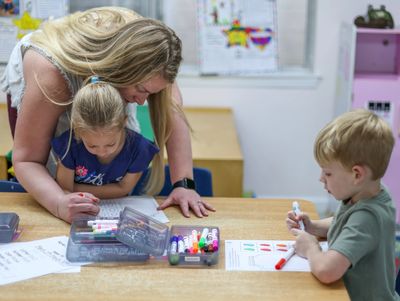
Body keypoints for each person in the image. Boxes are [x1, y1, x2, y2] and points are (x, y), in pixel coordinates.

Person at [0, 7, 215, 223]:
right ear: (121, 71)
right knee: (58, 172)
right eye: (140, 90)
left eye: (151, 93)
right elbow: (27, 160)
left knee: (108, 144)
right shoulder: (51, 75)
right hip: (57, 63)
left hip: (102, 62)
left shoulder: (153, 53)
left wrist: (183, 185)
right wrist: (59, 203)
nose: (142, 102)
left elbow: (172, 112)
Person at [286, 109, 399, 300]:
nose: (321, 179)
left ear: (357, 175)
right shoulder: (370, 192)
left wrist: (311, 248)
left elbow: (327, 271)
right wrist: (313, 226)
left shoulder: (368, 216)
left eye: (328, 173)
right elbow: (346, 223)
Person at [52, 76, 159, 200]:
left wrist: (75, 190)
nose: (102, 152)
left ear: (123, 123)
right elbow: (65, 189)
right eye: (92, 145)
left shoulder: (140, 149)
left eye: (110, 144)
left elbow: (124, 189)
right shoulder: (69, 145)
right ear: (77, 129)